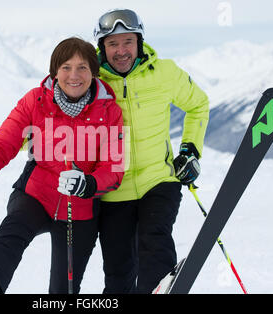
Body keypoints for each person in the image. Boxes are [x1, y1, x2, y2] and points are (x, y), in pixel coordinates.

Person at [0, 37, 125, 294]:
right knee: (13, 229)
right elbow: (3, 144)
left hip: (80, 209)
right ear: (54, 71)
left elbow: (114, 168)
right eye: (65, 67)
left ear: (93, 72)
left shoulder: (109, 111)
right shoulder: (35, 100)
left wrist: (88, 184)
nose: (74, 75)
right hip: (36, 194)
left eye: (82, 67)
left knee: (64, 290)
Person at [93, 8, 210, 293]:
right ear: (101, 48)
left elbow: (198, 105)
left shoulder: (166, 73)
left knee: (154, 239)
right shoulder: (89, 82)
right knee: (119, 274)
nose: (121, 51)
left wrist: (189, 150)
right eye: (112, 43)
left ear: (140, 42)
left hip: (158, 180)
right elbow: (48, 118)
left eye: (128, 42)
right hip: (112, 190)